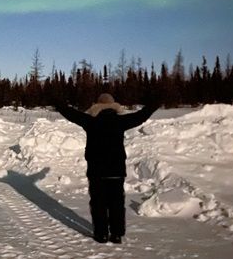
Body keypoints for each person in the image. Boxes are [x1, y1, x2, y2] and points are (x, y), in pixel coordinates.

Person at [55, 93, 159, 244]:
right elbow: (141, 116)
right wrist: (154, 105)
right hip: (116, 170)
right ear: (113, 105)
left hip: (96, 171)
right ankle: (116, 234)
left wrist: (58, 103)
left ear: (97, 106)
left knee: (98, 203)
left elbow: (71, 114)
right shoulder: (121, 121)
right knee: (116, 203)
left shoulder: (90, 121)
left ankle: (101, 234)